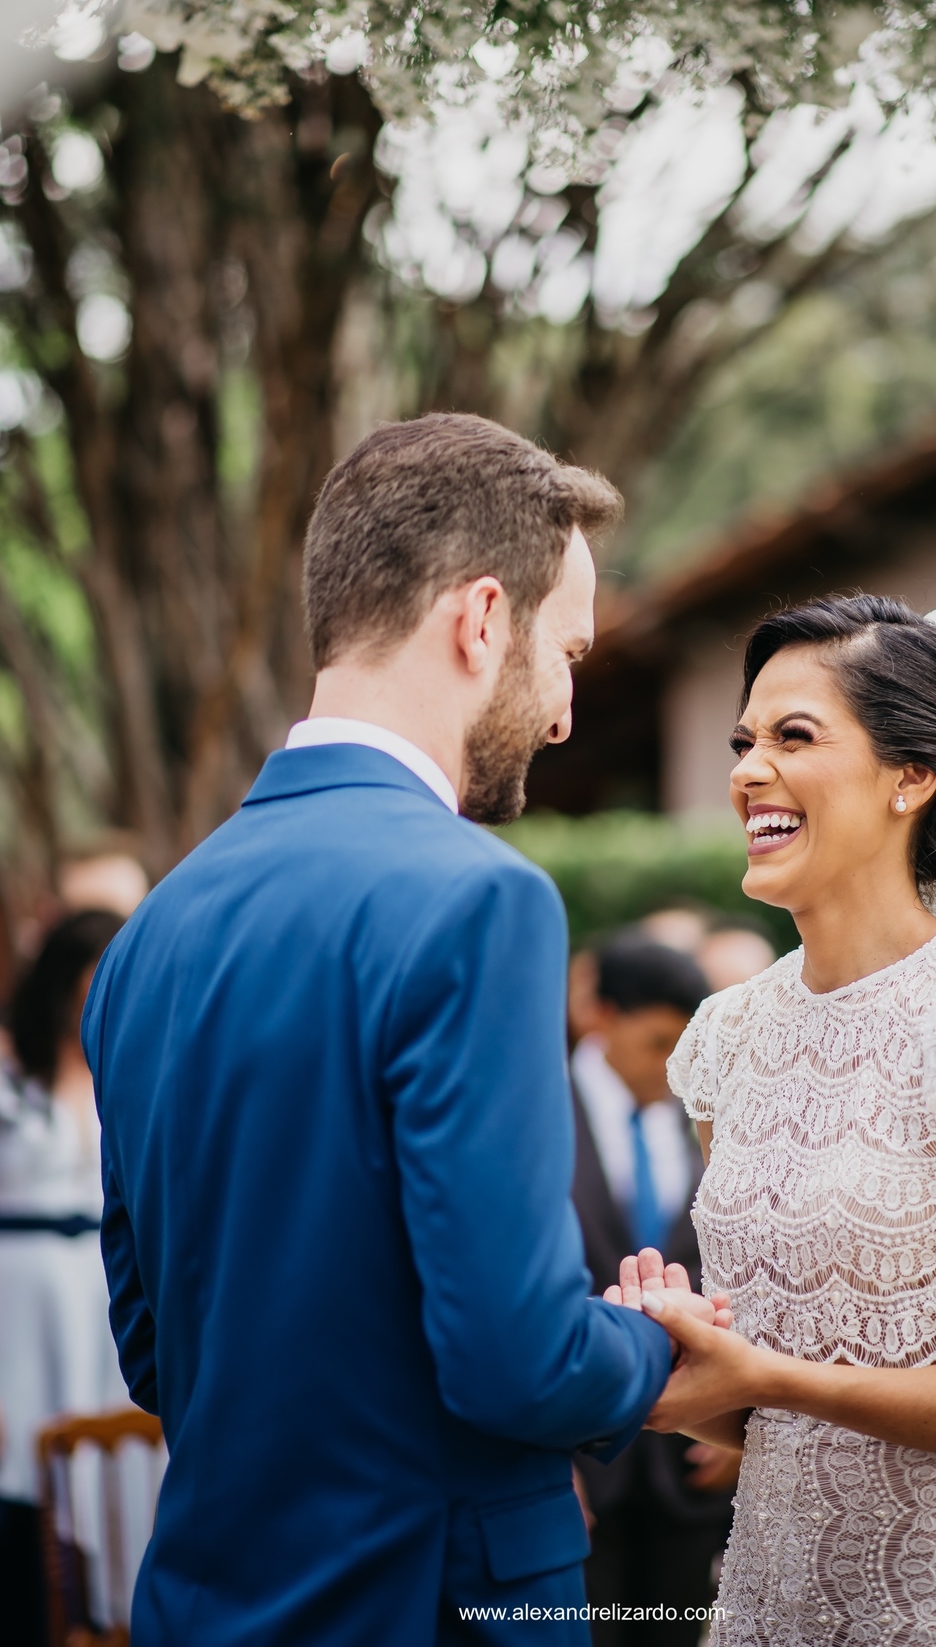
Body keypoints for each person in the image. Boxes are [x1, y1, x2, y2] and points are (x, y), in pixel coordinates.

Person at [81, 416, 713, 1647]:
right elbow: (518, 1358)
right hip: (434, 1606)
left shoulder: (151, 934)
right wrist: (647, 1342)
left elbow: (157, 1354)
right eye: (565, 651)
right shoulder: (479, 896)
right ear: (483, 620)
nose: (568, 710)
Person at [607, 595, 936, 1647]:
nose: (750, 768)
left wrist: (780, 1378)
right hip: (772, 1603)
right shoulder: (726, 1037)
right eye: (744, 740)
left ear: (911, 776)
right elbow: (771, 1419)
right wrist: (681, 1362)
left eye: (796, 736)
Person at [571, 934, 733, 1643]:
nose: (671, 1065)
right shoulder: (532, 1108)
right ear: (602, 1015)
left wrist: (740, 1427)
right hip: (574, 1468)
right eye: (656, 1041)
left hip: (688, 1477)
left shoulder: (705, 1117)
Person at [0, 909, 125, 1647]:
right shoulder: (13, 1081)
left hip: (99, 1305)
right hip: (18, 1311)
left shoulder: (124, 1070)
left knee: (107, 1483)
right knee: (24, 1494)